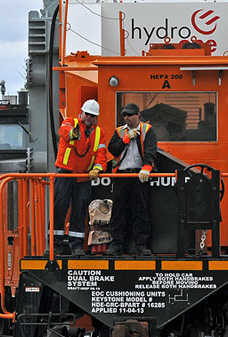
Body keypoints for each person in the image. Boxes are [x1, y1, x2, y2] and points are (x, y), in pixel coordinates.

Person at [52, 99, 107, 255]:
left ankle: (76, 245)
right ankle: (54, 245)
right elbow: (64, 131)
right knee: (59, 207)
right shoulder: (70, 122)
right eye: (87, 114)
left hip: (83, 176)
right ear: (81, 113)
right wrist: (72, 133)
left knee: (80, 210)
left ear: (96, 117)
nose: (89, 117)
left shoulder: (99, 133)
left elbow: (101, 155)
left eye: (93, 115)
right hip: (65, 172)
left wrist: (97, 168)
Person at [106, 102, 157, 256]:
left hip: (138, 176)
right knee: (118, 211)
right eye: (125, 115)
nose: (127, 118)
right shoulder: (119, 132)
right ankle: (116, 244)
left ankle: (141, 245)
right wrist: (126, 139)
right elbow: (112, 149)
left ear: (138, 115)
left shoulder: (148, 130)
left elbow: (151, 151)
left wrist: (146, 168)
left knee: (140, 210)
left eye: (130, 115)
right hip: (121, 175)